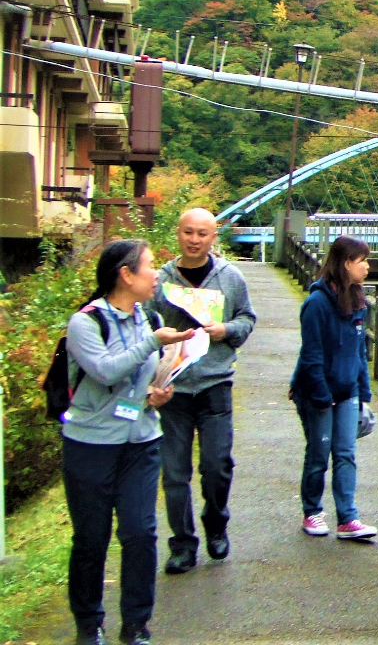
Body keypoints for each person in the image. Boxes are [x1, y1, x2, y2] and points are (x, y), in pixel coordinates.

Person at [62, 239, 195, 645]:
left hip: (141, 440)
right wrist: (155, 342)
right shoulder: (85, 323)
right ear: (126, 274)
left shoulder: (146, 317)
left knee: (140, 532)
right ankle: (89, 622)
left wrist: (159, 389)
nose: (157, 273)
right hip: (90, 445)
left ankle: (136, 623)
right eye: (150, 266)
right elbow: (104, 371)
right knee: (91, 537)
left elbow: (143, 376)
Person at [150, 207, 256, 574]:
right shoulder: (160, 280)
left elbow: (247, 319)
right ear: (177, 234)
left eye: (202, 234)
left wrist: (225, 330)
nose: (194, 240)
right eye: (188, 233)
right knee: (174, 472)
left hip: (214, 383)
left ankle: (216, 522)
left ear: (214, 238)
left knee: (217, 465)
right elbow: (144, 325)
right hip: (172, 388)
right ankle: (181, 544)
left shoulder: (230, 278)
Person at [289, 235, 378, 540]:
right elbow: (311, 356)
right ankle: (312, 511)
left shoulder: (357, 301)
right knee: (318, 453)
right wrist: (322, 397)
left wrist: (363, 394)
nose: (367, 267)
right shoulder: (316, 304)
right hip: (317, 392)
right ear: (345, 263)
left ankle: (347, 518)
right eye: (362, 260)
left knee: (345, 453)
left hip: (347, 391)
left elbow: (359, 354)